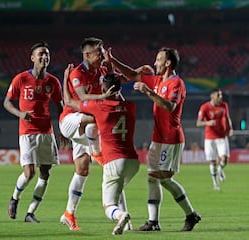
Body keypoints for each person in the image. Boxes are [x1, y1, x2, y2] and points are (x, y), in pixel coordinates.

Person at [105, 46, 201, 231]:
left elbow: (170, 106)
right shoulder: (157, 80)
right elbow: (132, 74)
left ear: (167, 63)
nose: (154, 62)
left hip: (170, 138)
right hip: (157, 137)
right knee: (152, 178)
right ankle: (153, 222)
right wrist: (112, 59)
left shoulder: (176, 84)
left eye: (158, 59)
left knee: (164, 178)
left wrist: (148, 92)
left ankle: (191, 215)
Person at [63, 66, 140, 235]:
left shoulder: (99, 107)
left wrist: (66, 78)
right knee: (118, 188)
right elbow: (118, 97)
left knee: (108, 205)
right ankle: (128, 224)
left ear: (104, 89)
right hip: (134, 162)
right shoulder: (131, 106)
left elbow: (69, 101)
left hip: (114, 160)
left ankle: (121, 215)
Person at [4, 42, 63, 223]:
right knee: (29, 172)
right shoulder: (21, 79)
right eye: (41, 54)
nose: (44, 57)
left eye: (47, 54)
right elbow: (7, 102)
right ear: (32, 58)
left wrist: (64, 130)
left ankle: (30, 213)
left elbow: (60, 107)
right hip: (27, 132)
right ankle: (14, 198)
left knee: (45, 173)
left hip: (46, 132)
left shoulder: (53, 82)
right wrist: (21, 114)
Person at [58, 37, 112, 230]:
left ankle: (69, 214)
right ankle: (96, 151)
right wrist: (103, 97)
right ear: (88, 55)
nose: (103, 54)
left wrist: (137, 74)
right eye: (100, 51)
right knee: (97, 119)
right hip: (70, 120)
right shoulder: (77, 72)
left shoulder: (102, 70)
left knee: (82, 170)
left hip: (87, 127)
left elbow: (117, 80)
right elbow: (80, 97)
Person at [196, 88, 233, 190]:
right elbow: (198, 123)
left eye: (221, 95)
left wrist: (230, 128)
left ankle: (220, 169)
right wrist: (208, 123)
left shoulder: (224, 105)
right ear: (212, 96)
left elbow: (227, 117)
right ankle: (215, 183)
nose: (220, 97)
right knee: (212, 161)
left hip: (222, 136)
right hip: (210, 138)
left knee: (225, 159)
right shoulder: (205, 107)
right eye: (218, 95)